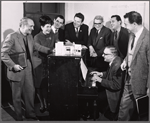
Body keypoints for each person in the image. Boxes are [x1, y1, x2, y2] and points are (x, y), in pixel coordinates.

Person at [1, 17, 50, 121]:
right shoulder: (12, 37)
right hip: (16, 69)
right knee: (17, 96)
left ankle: (30, 114)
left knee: (30, 92)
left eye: (33, 26)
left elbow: (36, 46)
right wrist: (13, 65)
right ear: (23, 25)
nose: (32, 28)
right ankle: (19, 117)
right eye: (30, 26)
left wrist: (50, 51)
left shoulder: (30, 36)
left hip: (27, 67)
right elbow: (3, 54)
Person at [118, 11, 150, 121]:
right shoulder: (131, 35)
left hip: (142, 82)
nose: (124, 26)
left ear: (135, 24)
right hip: (129, 79)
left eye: (126, 24)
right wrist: (125, 61)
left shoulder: (148, 39)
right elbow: (131, 51)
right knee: (124, 108)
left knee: (143, 113)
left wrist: (149, 86)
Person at [90, 46, 124, 120]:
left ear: (111, 56)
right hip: (110, 87)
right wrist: (101, 74)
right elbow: (110, 74)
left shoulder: (117, 65)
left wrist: (100, 80)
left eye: (105, 54)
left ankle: (95, 116)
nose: (102, 55)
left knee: (96, 96)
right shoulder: (115, 60)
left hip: (114, 94)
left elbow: (116, 85)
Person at [34, 15, 55, 113]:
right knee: (39, 84)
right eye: (47, 26)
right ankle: (42, 104)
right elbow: (38, 47)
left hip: (49, 63)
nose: (49, 28)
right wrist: (51, 50)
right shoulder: (37, 37)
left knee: (46, 85)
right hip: (39, 64)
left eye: (50, 26)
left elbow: (57, 43)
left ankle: (46, 103)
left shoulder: (52, 34)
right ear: (42, 27)